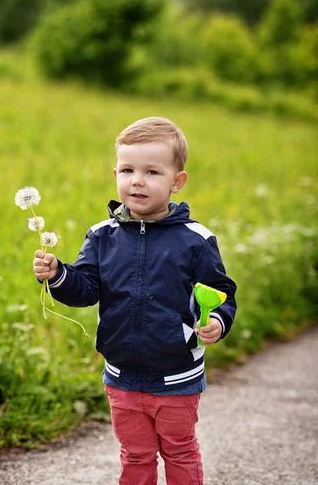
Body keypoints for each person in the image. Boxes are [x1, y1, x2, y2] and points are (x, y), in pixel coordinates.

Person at [33, 116, 237, 485]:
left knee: (179, 450)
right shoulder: (102, 236)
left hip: (177, 375)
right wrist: (58, 275)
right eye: (127, 169)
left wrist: (218, 320)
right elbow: (87, 288)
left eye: (152, 172)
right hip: (122, 375)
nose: (137, 180)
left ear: (177, 181)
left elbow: (221, 291)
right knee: (136, 454)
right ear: (115, 174)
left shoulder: (195, 239)